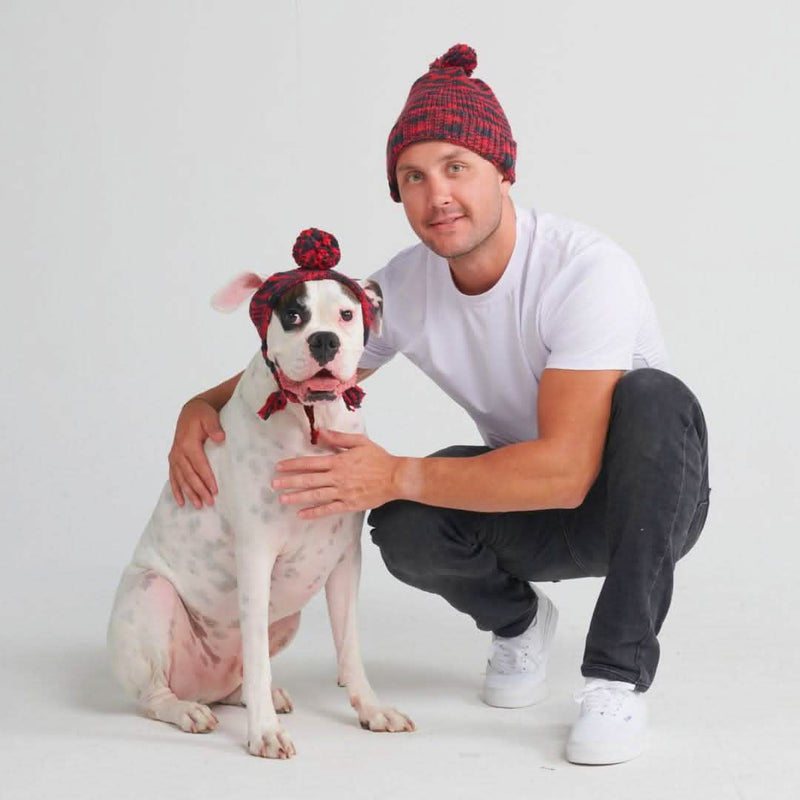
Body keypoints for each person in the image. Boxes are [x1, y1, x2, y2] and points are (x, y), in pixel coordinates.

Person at [167, 44, 710, 766]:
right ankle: (519, 622)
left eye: (457, 167)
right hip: (533, 504)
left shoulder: (585, 269)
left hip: (644, 507)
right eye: (413, 177)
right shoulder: (403, 287)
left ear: (503, 171)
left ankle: (617, 678)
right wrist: (196, 407)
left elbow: (568, 471)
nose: (437, 196)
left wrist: (394, 472)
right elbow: (310, 360)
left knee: (653, 397)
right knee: (402, 522)